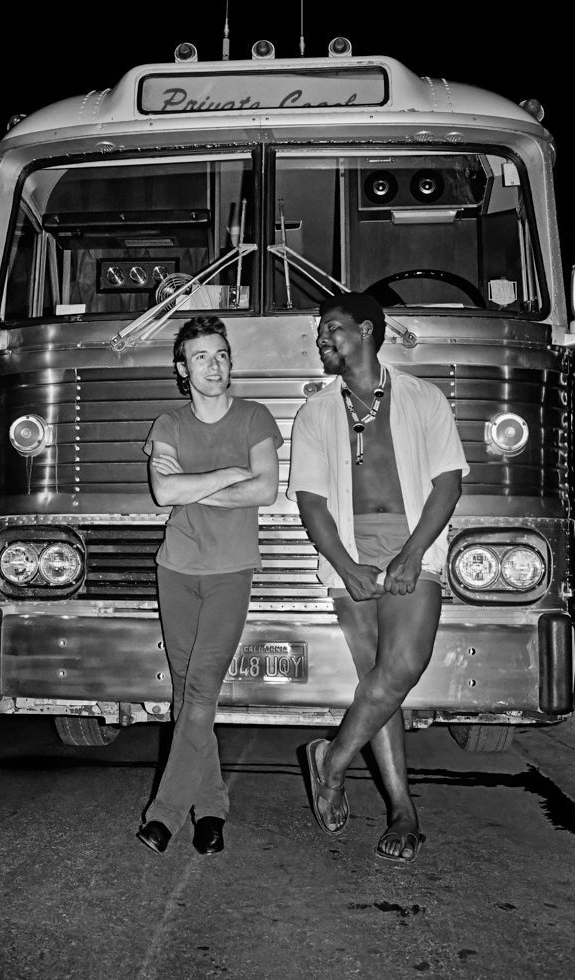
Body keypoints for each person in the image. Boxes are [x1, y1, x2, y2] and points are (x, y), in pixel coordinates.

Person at [287, 292, 469, 863]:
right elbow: (312, 502)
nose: (322, 340)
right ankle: (402, 810)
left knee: (401, 668)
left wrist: (413, 555)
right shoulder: (315, 411)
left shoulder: (422, 398)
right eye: (320, 333)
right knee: (374, 681)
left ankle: (331, 764)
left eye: (332, 330)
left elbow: (447, 484)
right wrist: (344, 565)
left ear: (366, 331)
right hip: (351, 554)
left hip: (412, 545)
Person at [138, 315, 282, 856]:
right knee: (186, 695)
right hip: (176, 569)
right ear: (183, 369)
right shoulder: (169, 424)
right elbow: (163, 491)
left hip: (230, 571)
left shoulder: (254, 417)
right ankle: (213, 809)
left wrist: (192, 488)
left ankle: (167, 813)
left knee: (201, 689)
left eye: (221, 354)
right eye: (201, 356)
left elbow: (265, 490)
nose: (213, 364)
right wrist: (226, 475)